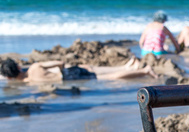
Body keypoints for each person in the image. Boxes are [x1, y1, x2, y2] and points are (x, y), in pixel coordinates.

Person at [0, 58, 156, 83]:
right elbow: (60, 62)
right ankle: (144, 71)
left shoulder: (28, 81)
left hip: (67, 80)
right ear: (18, 66)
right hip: (66, 74)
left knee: (106, 76)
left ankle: (138, 70)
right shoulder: (35, 67)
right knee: (110, 76)